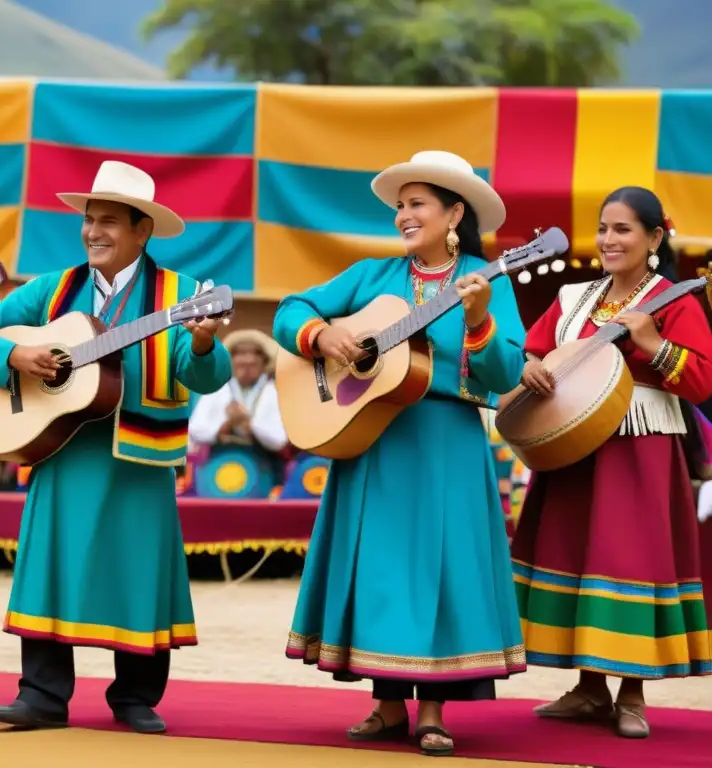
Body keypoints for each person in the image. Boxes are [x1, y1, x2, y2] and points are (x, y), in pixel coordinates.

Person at [0, 161, 231, 734]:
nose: (93, 231)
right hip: (62, 448)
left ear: (142, 230)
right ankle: (41, 696)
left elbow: (200, 376)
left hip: (140, 455)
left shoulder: (183, 297)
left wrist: (201, 344)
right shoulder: (52, 289)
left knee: (138, 571)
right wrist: (16, 356)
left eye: (108, 221)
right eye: (89, 220)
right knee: (51, 568)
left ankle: (134, 697)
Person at [276, 151, 527, 757]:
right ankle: (387, 705)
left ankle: (434, 708)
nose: (404, 216)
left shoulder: (487, 280)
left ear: (454, 213)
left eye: (417, 204)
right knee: (379, 570)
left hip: (447, 444)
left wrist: (479, 321)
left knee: (440, 572)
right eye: (400, 206)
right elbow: (291, 311)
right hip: (371, 439)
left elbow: (507, 368)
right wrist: (323, 334)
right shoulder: (372, 277)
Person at [511, 186, 712, 738]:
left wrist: (653, 342)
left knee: (630, 560)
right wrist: (530, 365)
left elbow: (702, 381)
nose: (608, 239)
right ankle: (590, 690)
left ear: (653, 238)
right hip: (572, 443)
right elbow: (534, 344)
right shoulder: (575, 296)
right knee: (577, 557)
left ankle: (632, 694)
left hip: (640, 447)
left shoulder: (676, 300)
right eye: (603, 228)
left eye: (623, 229)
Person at [188, 328, 287, 452]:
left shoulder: (273, 392)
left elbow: (280, 439)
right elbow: (195, 430)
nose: (247, 361)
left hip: (262, 465)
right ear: (231, 362)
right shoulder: (217, 389)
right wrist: (226, 425)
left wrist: (248, 424)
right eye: (240, 358)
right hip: (219, 464)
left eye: (252, 364)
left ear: (264, 363)